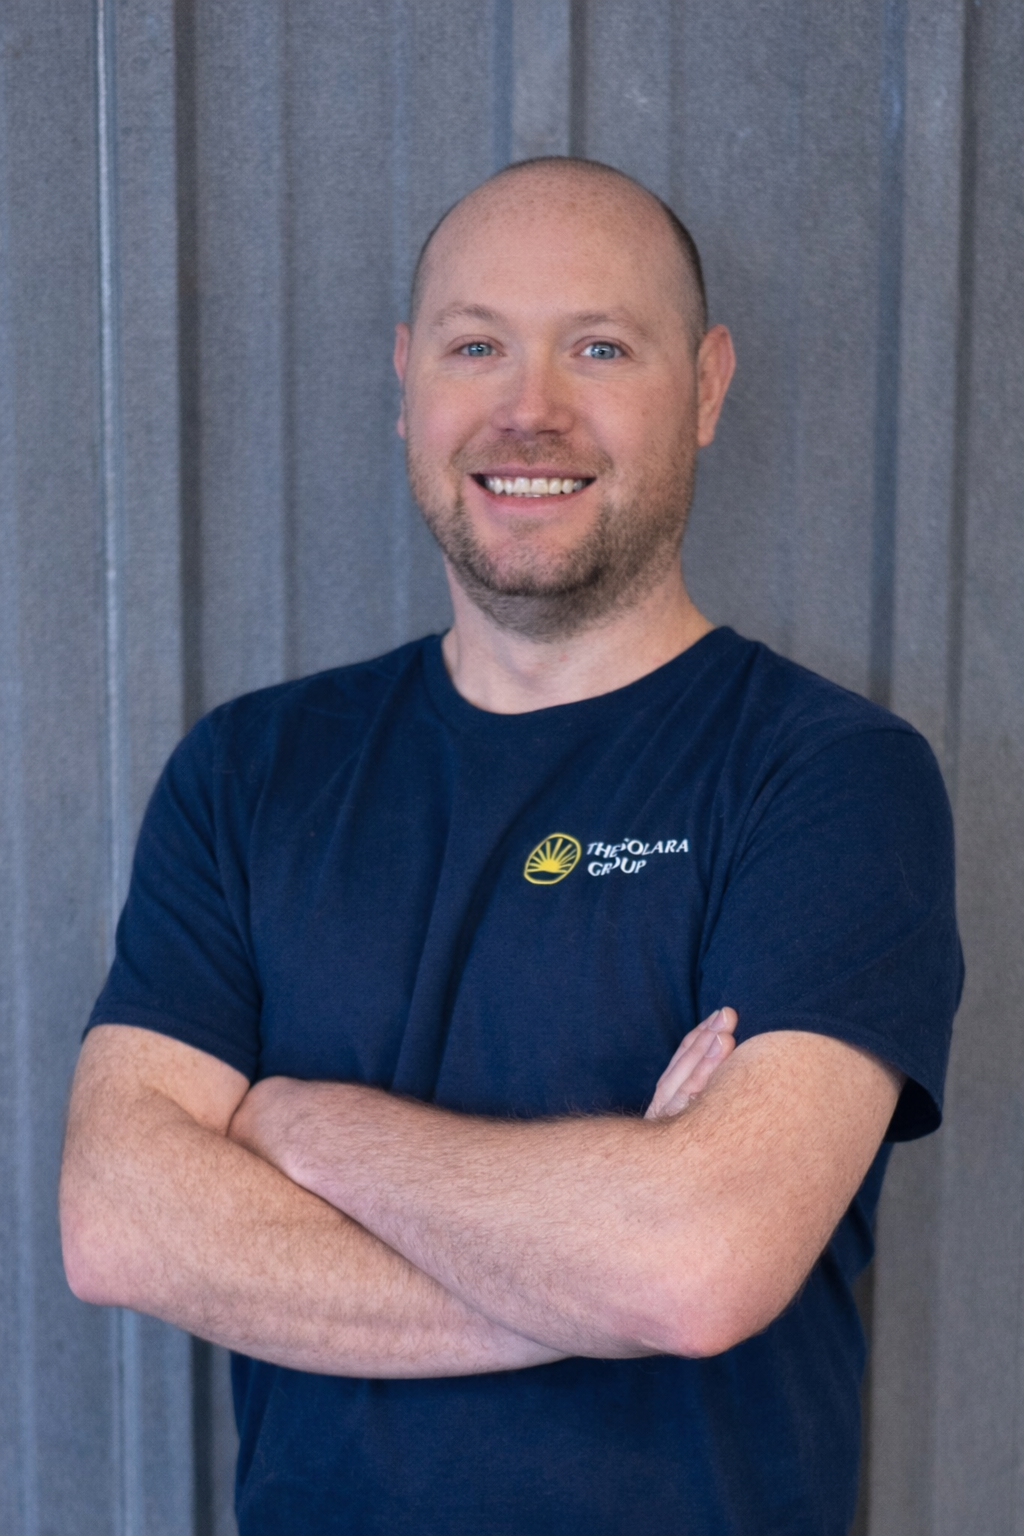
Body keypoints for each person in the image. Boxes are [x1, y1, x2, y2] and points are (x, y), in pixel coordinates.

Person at [60, 156, 962, 1535]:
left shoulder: (829, 778)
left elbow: (696, 1264)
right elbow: (120, 1216)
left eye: (599, 346)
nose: (528, 411)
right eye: (477, 345)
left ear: (708, 386)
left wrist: (300, 1127)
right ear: (407, 380)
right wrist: (593, 1269)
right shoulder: (249, 774)